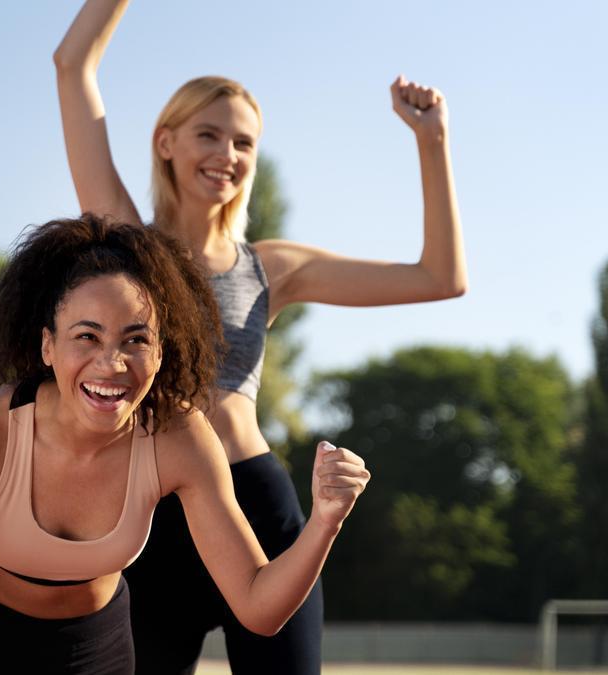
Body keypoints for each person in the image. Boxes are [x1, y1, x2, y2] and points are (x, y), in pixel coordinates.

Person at [53, 2, 467, 673]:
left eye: (244, 143)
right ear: (167, 141)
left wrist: (432, 140)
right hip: (155, 512)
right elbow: (72, 66)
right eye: (209, 135)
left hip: (256, 506)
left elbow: (439, 276)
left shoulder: (269, 266)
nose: (228, 155)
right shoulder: (129, 244)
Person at [0, 215, 370, 674]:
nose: (111, 364)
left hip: (101, 652)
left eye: (135, 340)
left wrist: (325, 520)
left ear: (162, 351)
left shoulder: (179, 438)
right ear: (47, 344)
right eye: (87, 337)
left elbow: (259, 608)